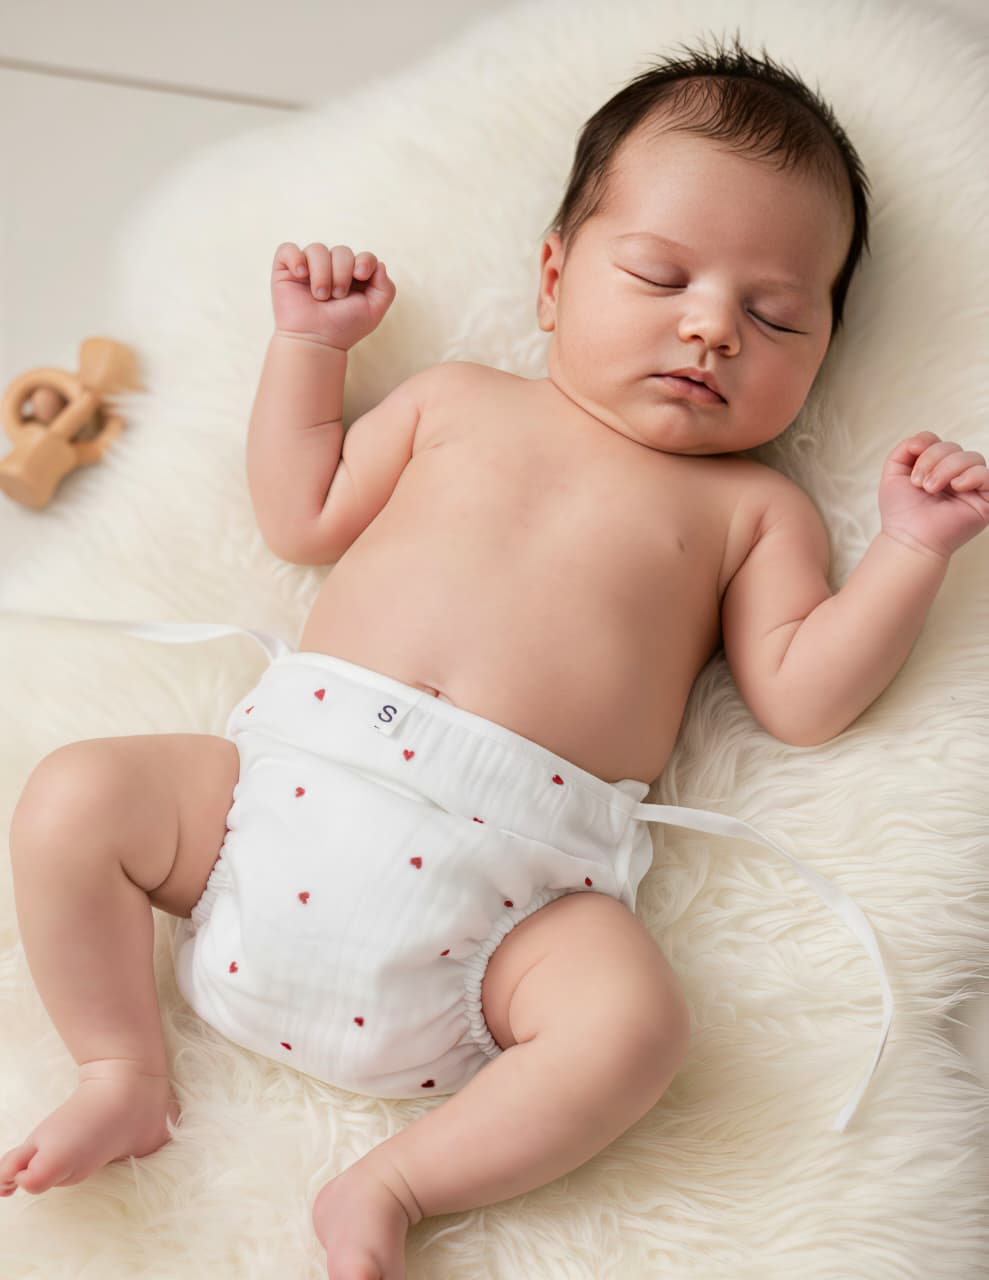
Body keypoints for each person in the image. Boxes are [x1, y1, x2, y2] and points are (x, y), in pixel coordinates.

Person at [2, 34, 986, 1280]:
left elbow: (799, 696)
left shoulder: (752, 510)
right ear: (552, 277)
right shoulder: (453, 399)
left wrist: (907, 549)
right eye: (660, 274)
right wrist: (310, 349)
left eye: (775, 313)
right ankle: (120, 1067)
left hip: (509, 898)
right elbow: (299, 510)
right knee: (73, 795)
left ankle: (397, 1181)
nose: (710, 327)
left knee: (633, 1027)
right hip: (275, 805)